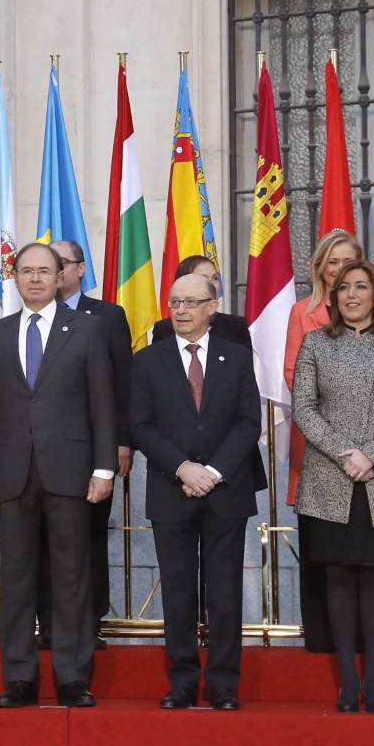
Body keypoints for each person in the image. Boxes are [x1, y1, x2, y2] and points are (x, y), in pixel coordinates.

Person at [0, 242, 115, 708]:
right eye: (26, 271)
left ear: (62, 278)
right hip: (12, 475)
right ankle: (19, 678)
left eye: (44, 271)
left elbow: (102, 404)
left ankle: (73, 677)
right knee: (14, 578)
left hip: (71, 471)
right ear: (14, 278)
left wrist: (103, 467)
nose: (34, 279)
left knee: (72, 577)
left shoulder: (89, 331)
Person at [292, 261, 374, 713]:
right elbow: (304, 408)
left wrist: (371, 454)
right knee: (337, 574)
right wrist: (346, 454)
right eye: (344, 287)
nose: (351, 295)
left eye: (360, 287)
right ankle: (348, 681)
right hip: (331, 477)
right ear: (334, 297)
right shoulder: (315, 343)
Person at [130, 272, 262, 710]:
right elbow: (141, 426)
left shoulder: (237, 358)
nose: (181, 310)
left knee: (224, 591)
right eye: (174, 303)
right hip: (172, 490)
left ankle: (224, 684)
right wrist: (184, 468)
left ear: (212, 306)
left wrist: (214, 470)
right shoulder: (149, 360)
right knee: (179, 592)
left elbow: (248, 423)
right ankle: (182, 682)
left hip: (226, 491)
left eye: (190, 302)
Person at [37, 238, 132, 654]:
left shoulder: (107, 317)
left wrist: (122, 444)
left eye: (61, 263)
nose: (53, 270)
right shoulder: (29, 316)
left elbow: (121, 384)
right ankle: (47, 622)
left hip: (93, 452)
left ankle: (89, 620)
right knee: (41, 540)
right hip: (39, 454)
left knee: (89, 537)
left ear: (79, 269)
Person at [281, 228, 363, 654]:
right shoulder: (302, 313)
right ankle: (321, 642)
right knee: (319, 545)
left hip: (370, 450)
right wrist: (335, 432)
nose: (340, 268)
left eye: (348, 259)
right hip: (316, 445)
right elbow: (296, 376)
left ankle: (362, 639)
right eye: (333, 261)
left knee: (362, 547)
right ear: (321, 268)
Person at [149, 254, 253, 348]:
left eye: (215, 278)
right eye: (204, 278)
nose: (212, 285)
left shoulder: (235, 326)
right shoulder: (164, 330)